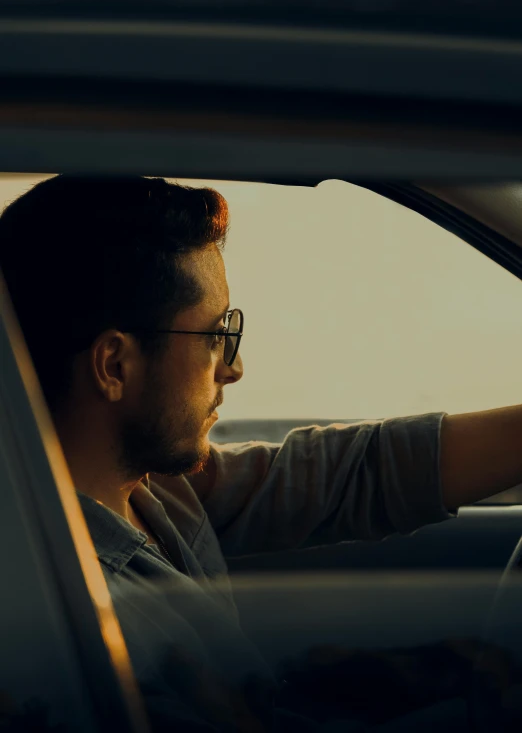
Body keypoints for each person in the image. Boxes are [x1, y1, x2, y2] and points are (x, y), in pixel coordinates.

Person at [0, 175, 521, 731]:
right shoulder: (74, 616)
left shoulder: (154, 488)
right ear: (114, 366)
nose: (234, 367)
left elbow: (347, 476)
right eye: (216, 334)